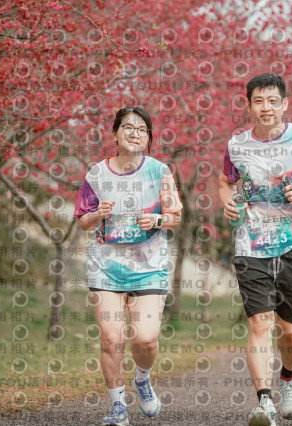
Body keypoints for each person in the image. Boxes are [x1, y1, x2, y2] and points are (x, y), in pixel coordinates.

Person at [219, 74, 292, 426]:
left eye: (273, 101)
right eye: (258, 101)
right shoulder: (237, 145)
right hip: (251, 244)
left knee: (289, 328)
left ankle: (289, 379)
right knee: (259, 322)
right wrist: (228, 204)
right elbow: (226, 182)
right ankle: (264, 402)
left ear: (284, 104)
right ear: (249, 106)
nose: (266, 107)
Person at [74, 106, 183, 425]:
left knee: (146, 339)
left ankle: (143, 379)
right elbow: (83, 221)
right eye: (128, 127)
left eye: (141, 129)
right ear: (115, 133)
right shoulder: (97, 173)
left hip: (149, 268)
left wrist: (158, 220)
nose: (135, 133)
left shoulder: (159, 171)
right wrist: (98, 214)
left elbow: (175, 217)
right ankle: (118, 406)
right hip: (105, 269)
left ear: (148, 138)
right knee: (112, 338)